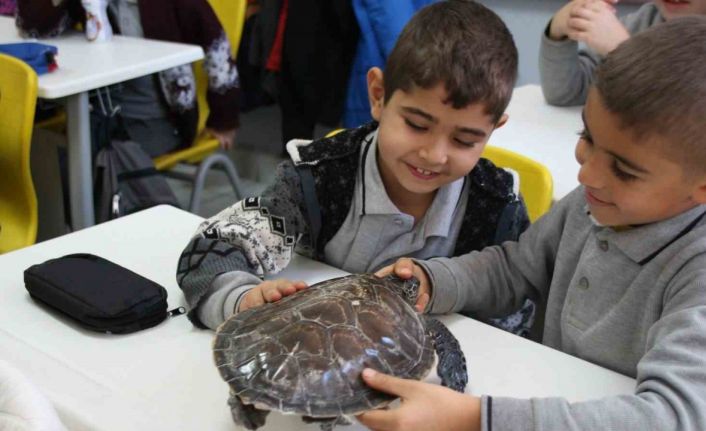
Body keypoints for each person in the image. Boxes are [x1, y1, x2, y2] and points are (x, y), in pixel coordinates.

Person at [359, 16, 706, 431]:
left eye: (625, 171)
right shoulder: (596, 203)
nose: (587, 175)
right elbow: (515, 268)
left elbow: (673, 417)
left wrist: (475, 419)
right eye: (587, 138)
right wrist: (435, 281)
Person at [177, 0, 533, 333]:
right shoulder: (320, 178)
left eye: (464, 140)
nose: (434, 155)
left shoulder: (498, 209)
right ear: (378, 95)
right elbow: (211, 248)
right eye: (417, 125)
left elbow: (518, 310)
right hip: (317, 350)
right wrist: (242, 301)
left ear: (493, 129)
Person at [16, 0, 240, 155]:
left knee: (89, 166)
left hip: (157, 120)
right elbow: (32, 28)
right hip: (98, 114)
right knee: (41, 156)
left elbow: (217, 46)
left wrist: (224, 117)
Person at [539, 0, 706, 106]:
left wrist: (627, 53)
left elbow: (684, 120)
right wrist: (557, 32)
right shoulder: (644, 21)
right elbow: (566, 93)